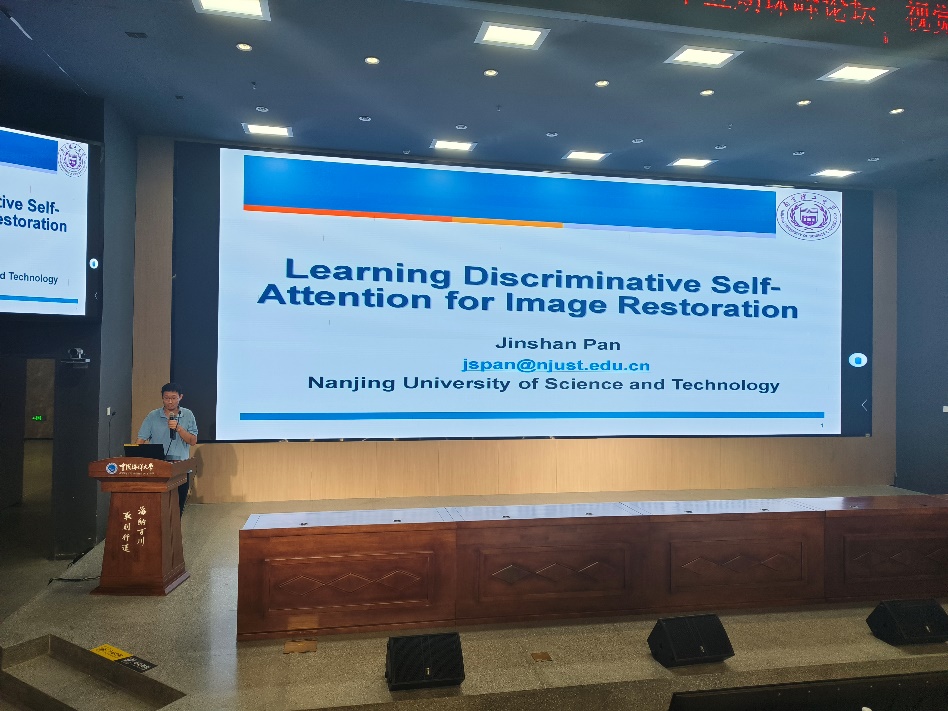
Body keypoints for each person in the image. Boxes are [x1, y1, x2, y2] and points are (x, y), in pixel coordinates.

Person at [137, 382, 198, 513]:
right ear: (162, 397)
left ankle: (175, 527)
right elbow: (141, 439)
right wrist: (135, 456)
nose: (170, 401)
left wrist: (178, 428)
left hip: (180, 468)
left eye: (174, 398)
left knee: (177, 507)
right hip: (157, 467)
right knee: (157, 506)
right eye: (166, 398)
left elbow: (193, 441)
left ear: (180, 397)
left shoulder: (188, 415)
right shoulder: (152, 416)